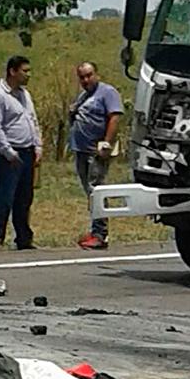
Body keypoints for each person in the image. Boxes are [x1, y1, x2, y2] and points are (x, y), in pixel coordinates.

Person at [0, 55, 42, 251]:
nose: (28, 75)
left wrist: (38, 146)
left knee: (24, 197)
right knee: (5, 196)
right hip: (9, 154)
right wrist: (8, 152)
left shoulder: (25, 95)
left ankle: (24, 238)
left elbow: (32, 119)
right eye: (25, 71)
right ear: (12, 71)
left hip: (28, 151)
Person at [69, 61, 123, 250]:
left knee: (96, 190)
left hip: (96, 150)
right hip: (81, 149)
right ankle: (95, 230)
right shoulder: (85, 95)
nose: (86, 80)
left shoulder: (107, 92)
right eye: (82, 77)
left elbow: (115, 116)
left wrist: (106, 142)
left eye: (89, 75)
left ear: (96, 74)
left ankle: (101, 233)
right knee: (89, 191)